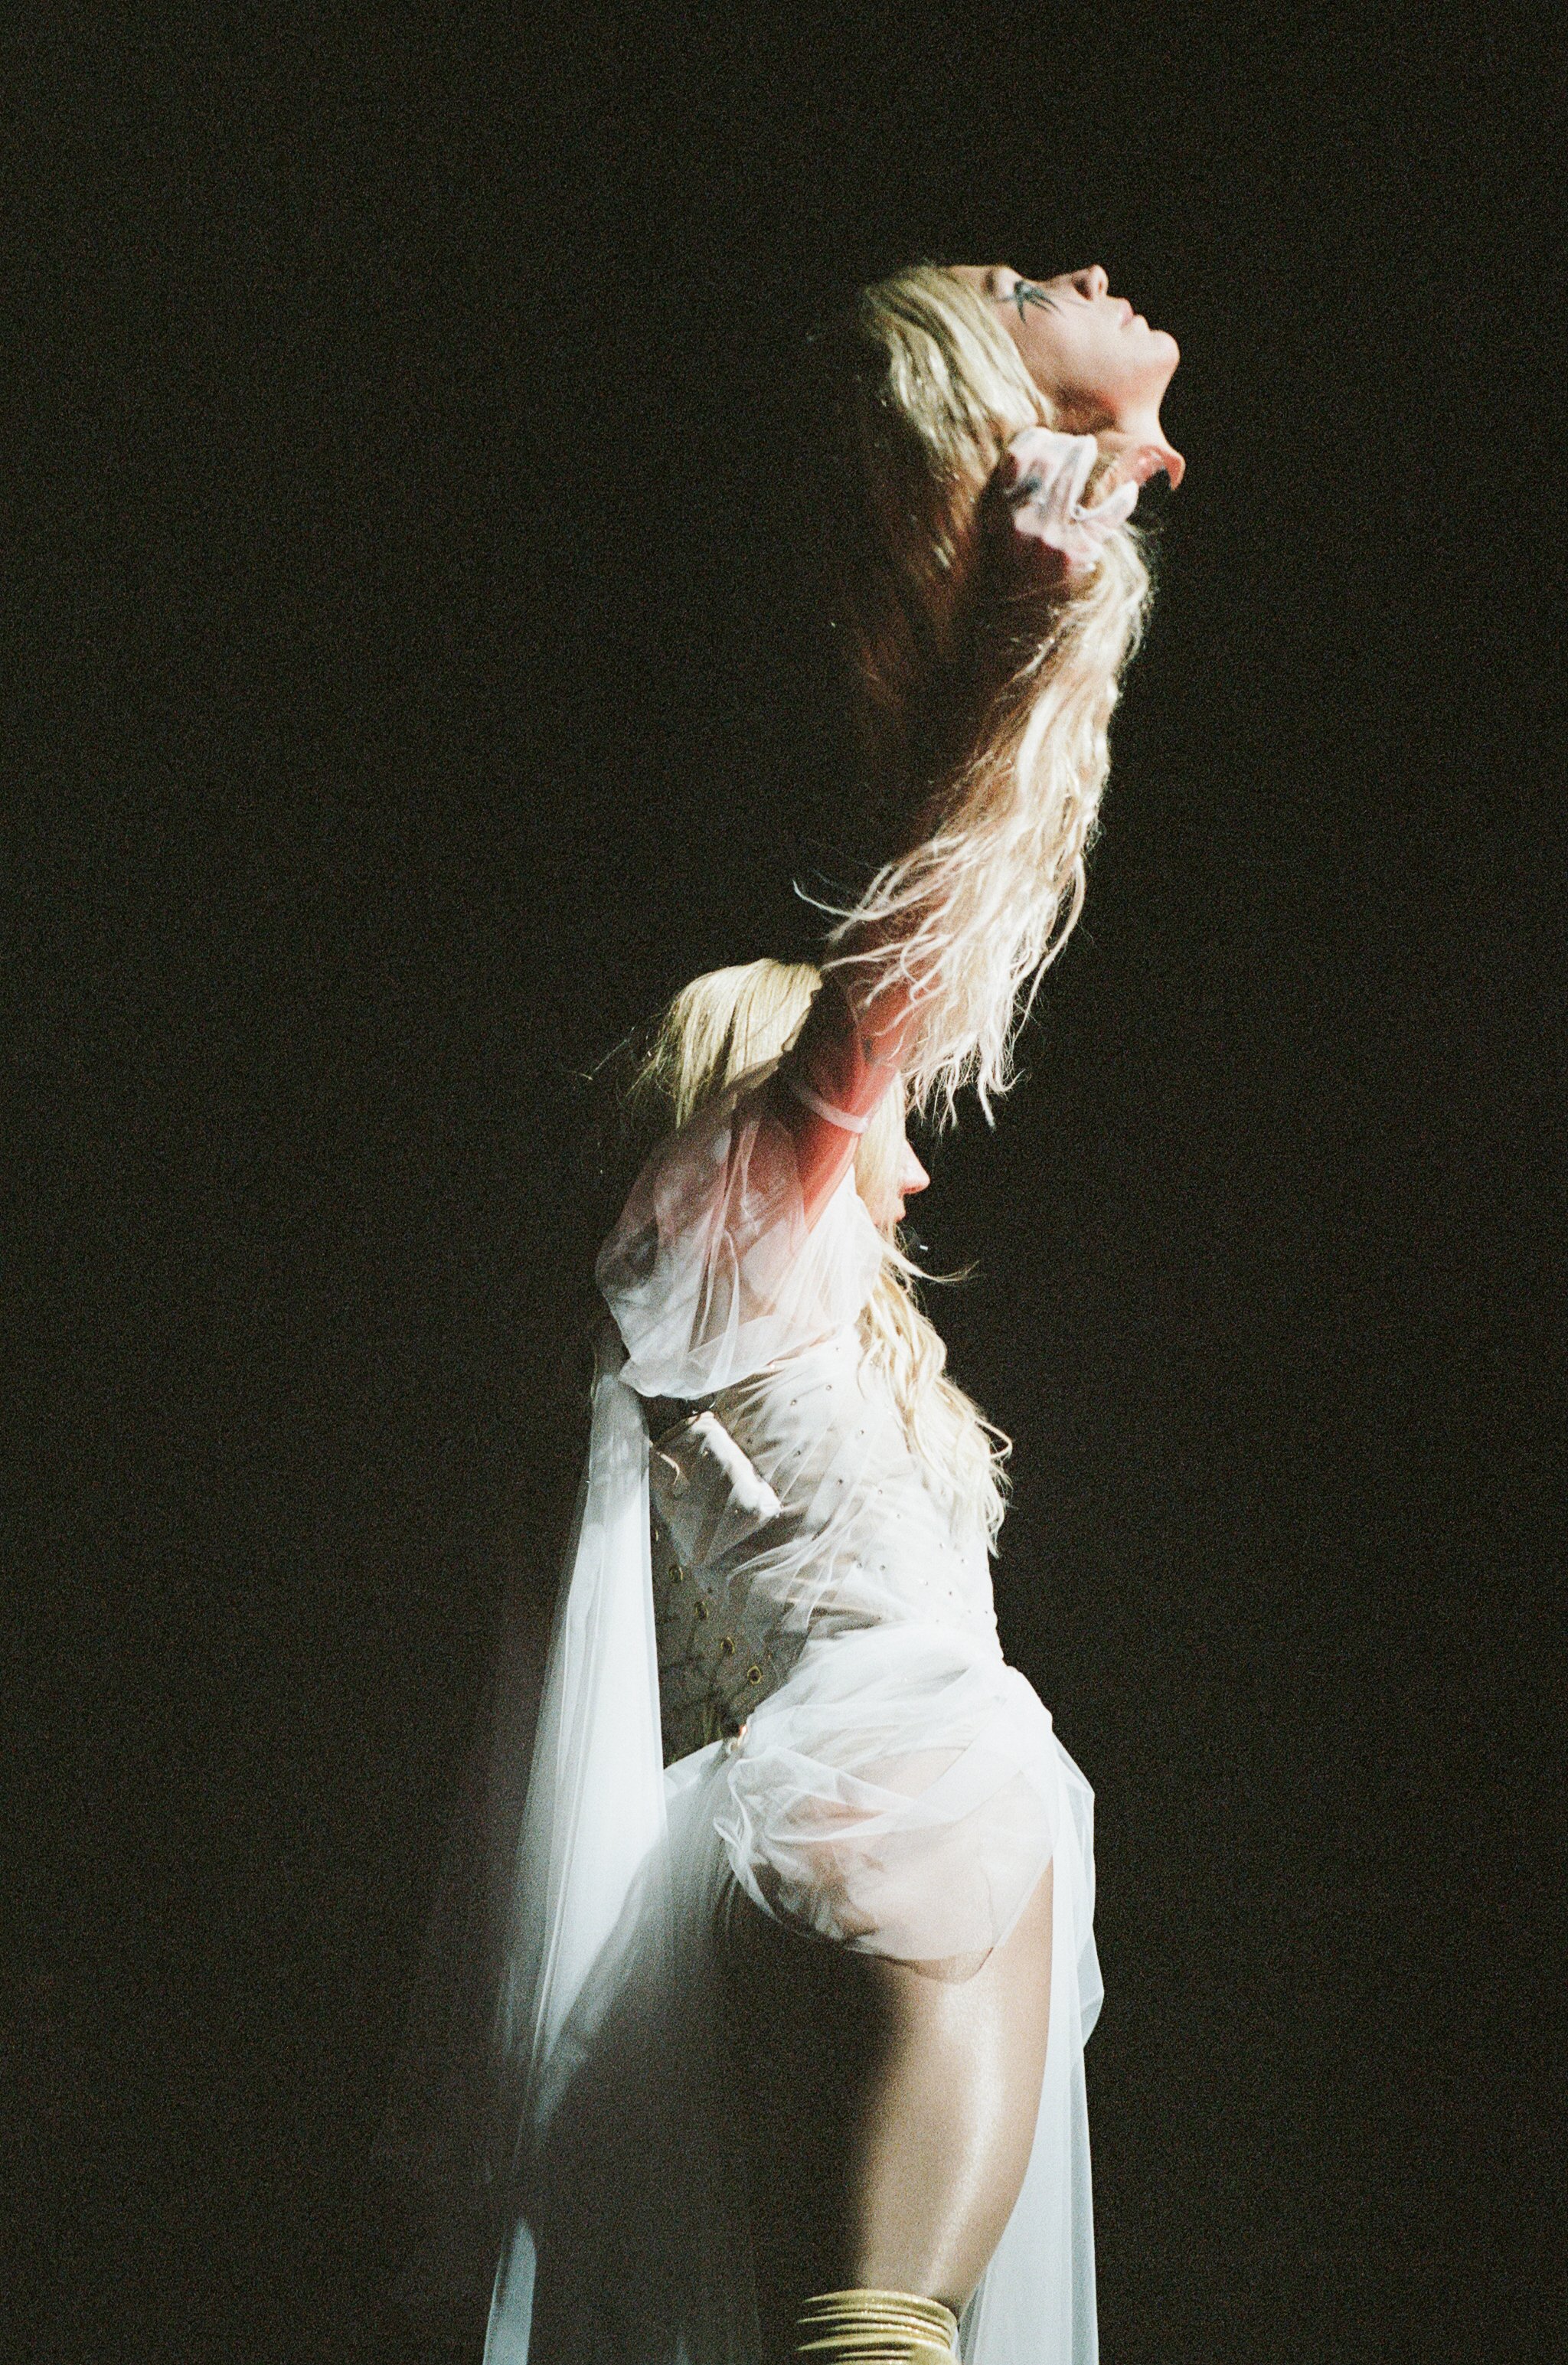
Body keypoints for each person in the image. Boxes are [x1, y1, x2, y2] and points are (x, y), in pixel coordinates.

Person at [435, 260, 1181, 2365]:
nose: (912, 1160)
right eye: (859, 1135)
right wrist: (1035, 609)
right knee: (881, 2336)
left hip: (783, 1849)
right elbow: (897, 953)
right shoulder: (728, 1225)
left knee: (837, 2328)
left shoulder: (745, 1327)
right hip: (899, 1783)